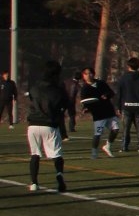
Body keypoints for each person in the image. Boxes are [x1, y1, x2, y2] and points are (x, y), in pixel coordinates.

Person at [24, 60, 71, 193]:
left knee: (35, 154)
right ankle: (59, 174)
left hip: (33, 124)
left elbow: (31, 99)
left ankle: (34, 183)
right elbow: (65, 104)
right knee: (56, 154)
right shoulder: (58, 89)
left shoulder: (35, 87)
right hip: (50, 125)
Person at [77, 67, 120, 159]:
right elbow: (85, 102)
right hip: (98, 114)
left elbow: (111, 93)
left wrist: (106, 95)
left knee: (116, 129)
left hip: (109, 111)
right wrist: (86, 109)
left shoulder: (101, 83)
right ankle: (94, 153)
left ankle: (107, 146)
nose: (89, 75)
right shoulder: (85, 89)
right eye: (86, 74)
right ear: (83, 76)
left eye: (90, 73)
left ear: (94, 74)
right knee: (98, 134)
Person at [115, 56, 139, 153]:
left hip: (126, 106)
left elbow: (119, 93)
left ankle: (124, 146)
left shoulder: (123, 78)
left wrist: (118, 107)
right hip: (138, 106)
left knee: (126, 128)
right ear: (138, 66)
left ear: (128, 66)